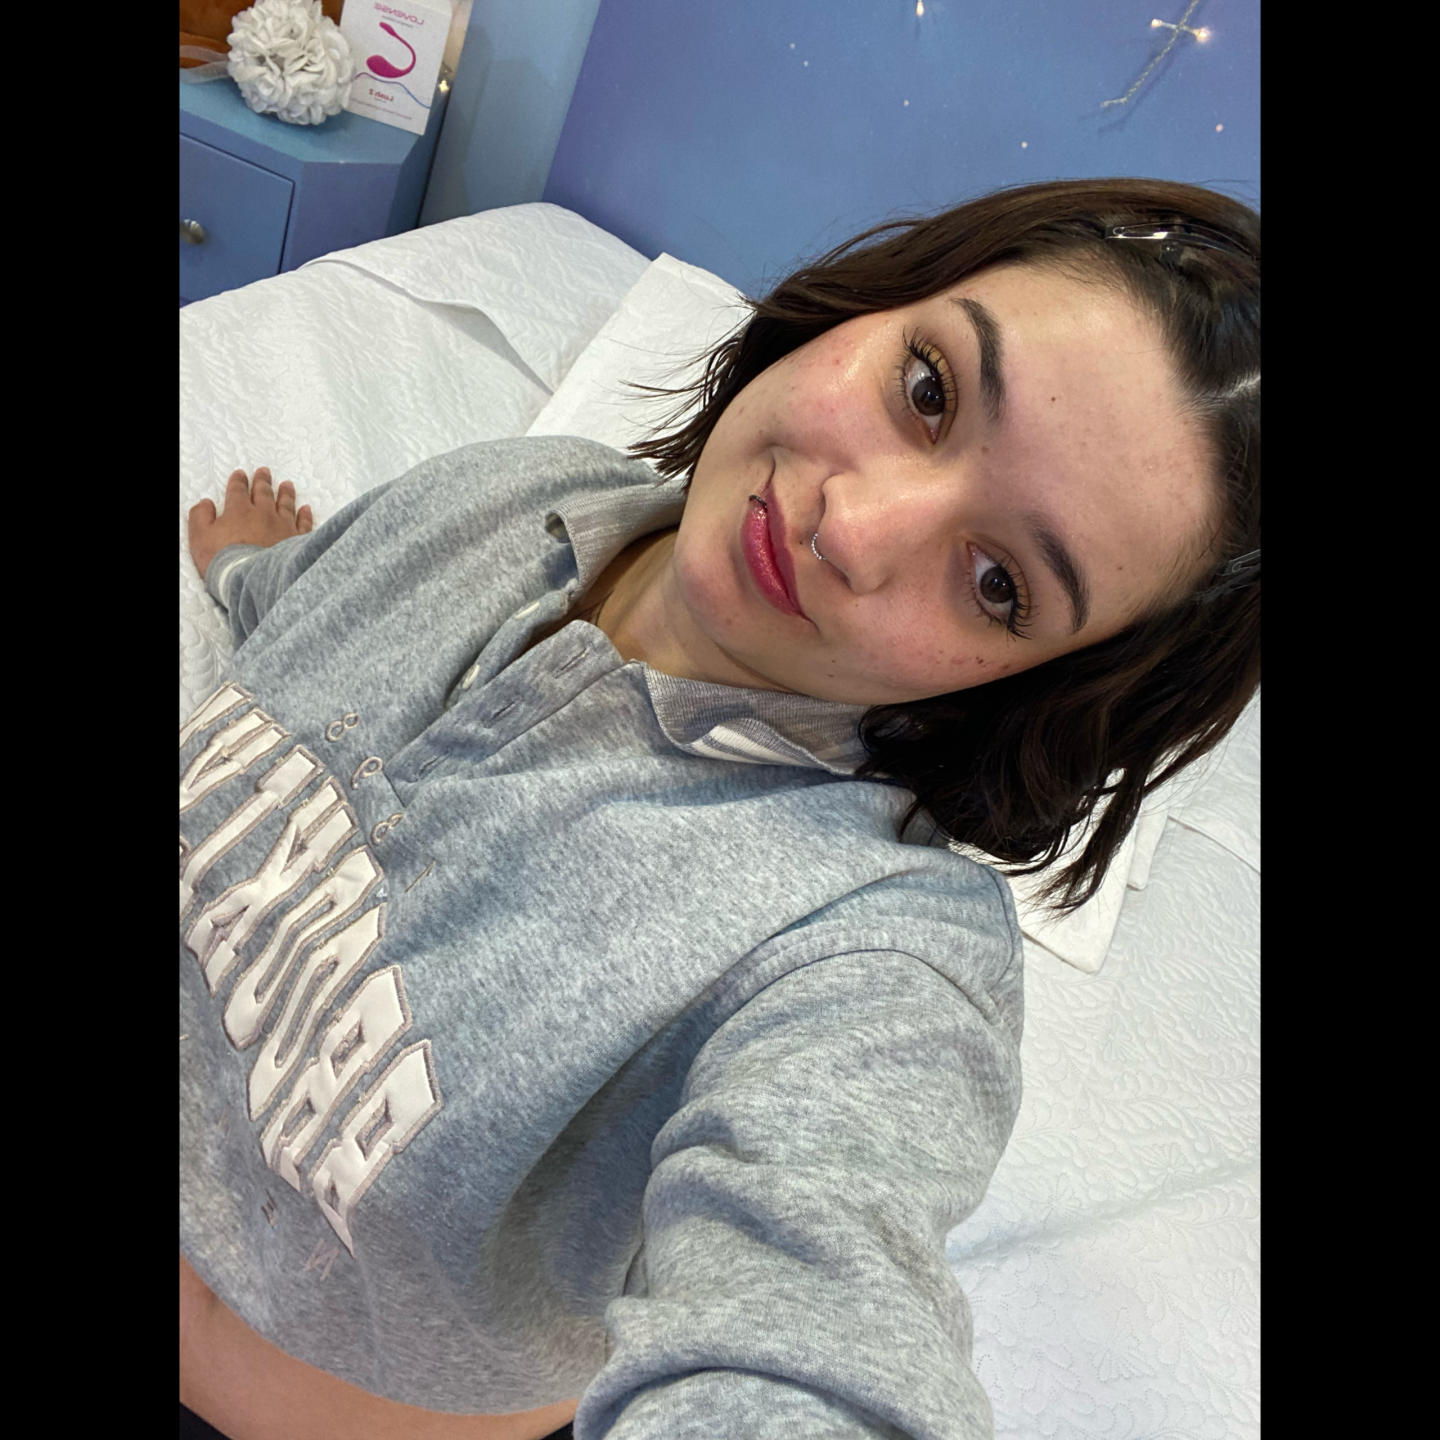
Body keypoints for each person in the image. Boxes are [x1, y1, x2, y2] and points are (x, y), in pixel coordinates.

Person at [179, 176, 1259, 1440]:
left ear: (1046, 681)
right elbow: (315, 621)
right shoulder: (508, 495)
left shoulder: (868, 956)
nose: (852, 529)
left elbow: (821, 1304)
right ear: (871, 305)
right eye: (929, 391)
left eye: (998, 585)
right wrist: (247, 570)